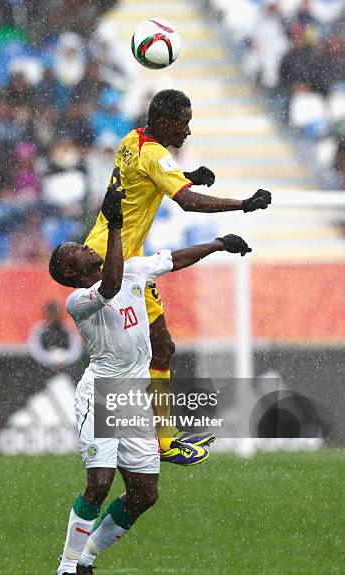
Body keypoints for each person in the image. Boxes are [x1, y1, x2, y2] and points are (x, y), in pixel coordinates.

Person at [49, 177, 253, 575]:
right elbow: (110, 285)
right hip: (101, 394)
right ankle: (64, 570)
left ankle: (85, 560)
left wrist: (218, 243)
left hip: (134, 398)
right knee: (99, 483)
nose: (87, 247)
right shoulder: (81, 300)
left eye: (84, 245)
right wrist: (118, 225)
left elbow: (174, 259)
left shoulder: (135, 270)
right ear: (71, 273)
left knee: (144, 494)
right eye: (79, 252)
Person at [85, 89, 271, 463]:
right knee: (124, 356)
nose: (187, 131)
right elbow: (186, 202)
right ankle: (111, 440)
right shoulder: (155, 154)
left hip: (121, 257)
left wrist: (186, 175)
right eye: (183, 123)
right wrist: (243, 204)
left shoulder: (133, 139)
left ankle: (160, 438)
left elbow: (147, 177)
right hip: (114, 263)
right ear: (166, 122)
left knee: (161, 347)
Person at [28, 301, 82, 371]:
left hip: (67, 369)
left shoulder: (68, 329)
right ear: (46, 314)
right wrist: (50, 360)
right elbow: (36, 350)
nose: (53, 317)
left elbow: (75, 350)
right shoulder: (39, 330)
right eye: (50, 313)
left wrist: (63, 359)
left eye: (55, 313)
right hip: (43, 370)